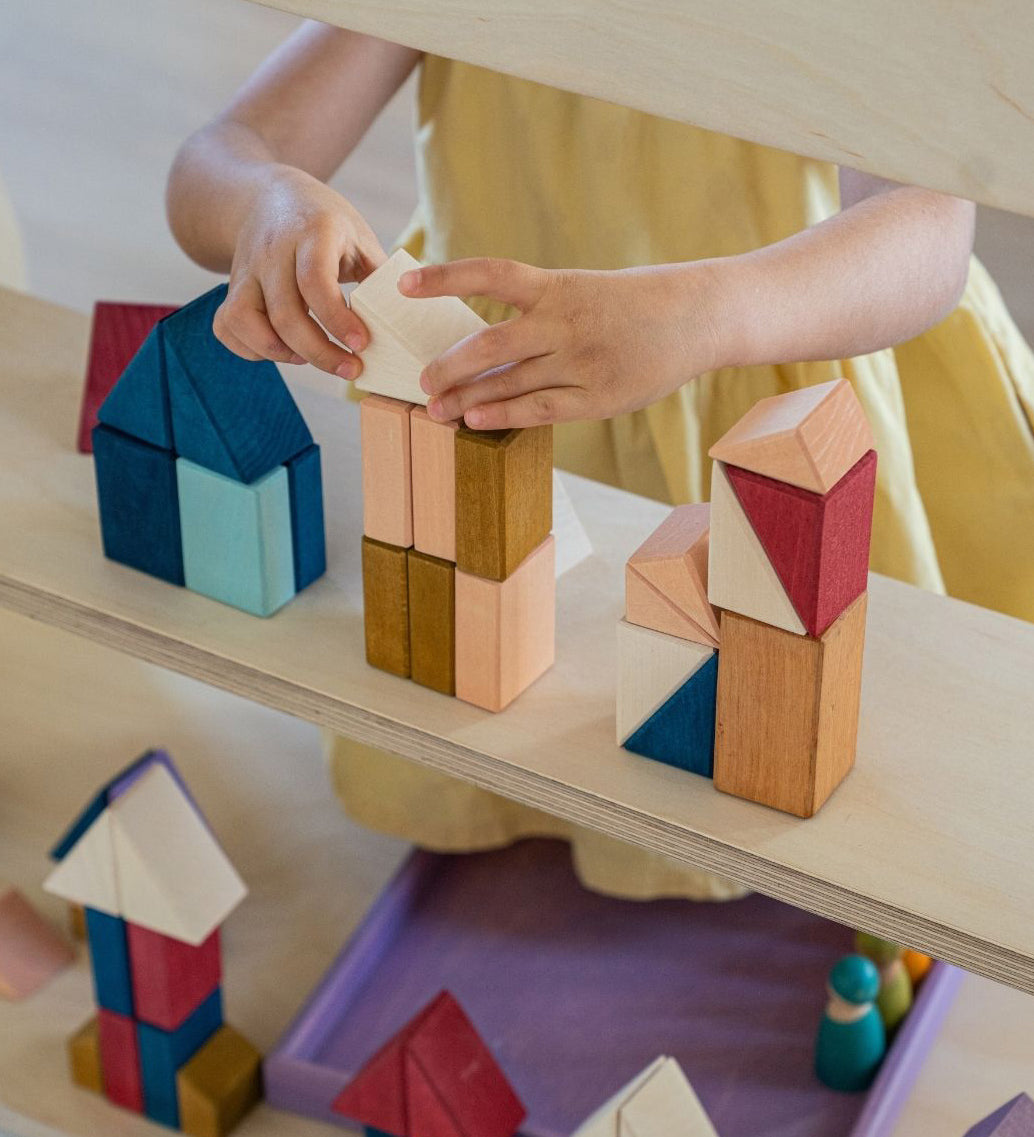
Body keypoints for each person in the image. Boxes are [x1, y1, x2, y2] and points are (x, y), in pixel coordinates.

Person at [167, 25, 1034, 901]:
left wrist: (702, 314)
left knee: (779, 732)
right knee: (509, 673)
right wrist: (269, 203)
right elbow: (216, 160)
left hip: (761, 378)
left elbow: (928, 239)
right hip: (494, 389)